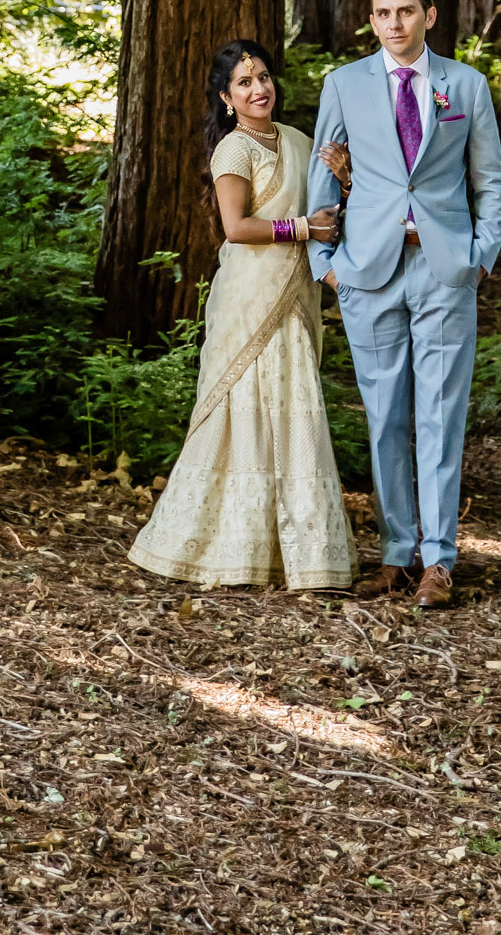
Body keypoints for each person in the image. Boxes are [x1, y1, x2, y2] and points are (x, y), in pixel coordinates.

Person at [306, 0, 501, 610]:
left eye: (406, 11)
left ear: (430, 16)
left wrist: (478, 258)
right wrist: (326, 265)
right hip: (368, 271)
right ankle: (397, 552)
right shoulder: (343, 85)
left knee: (440, 415)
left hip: (444, 269)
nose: (395, 23)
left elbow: (491, 184)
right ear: (372, 21)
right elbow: (321, 177)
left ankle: (439, 560)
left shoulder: (465, 87)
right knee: (385, 416)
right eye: (383, 13)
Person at [129, 39, 357, 592]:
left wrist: (347, 180)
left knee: (293, 407)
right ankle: (224, 547)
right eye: (244, 83)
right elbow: (237, 228)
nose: (259, 89)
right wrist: (303, 228)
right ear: (228, 98)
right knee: (243, 412)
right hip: (247, 300)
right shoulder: (234, 150)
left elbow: (334, 213)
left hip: (295, 299)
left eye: (263, 78)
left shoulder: (301, 142)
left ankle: (301, 556)